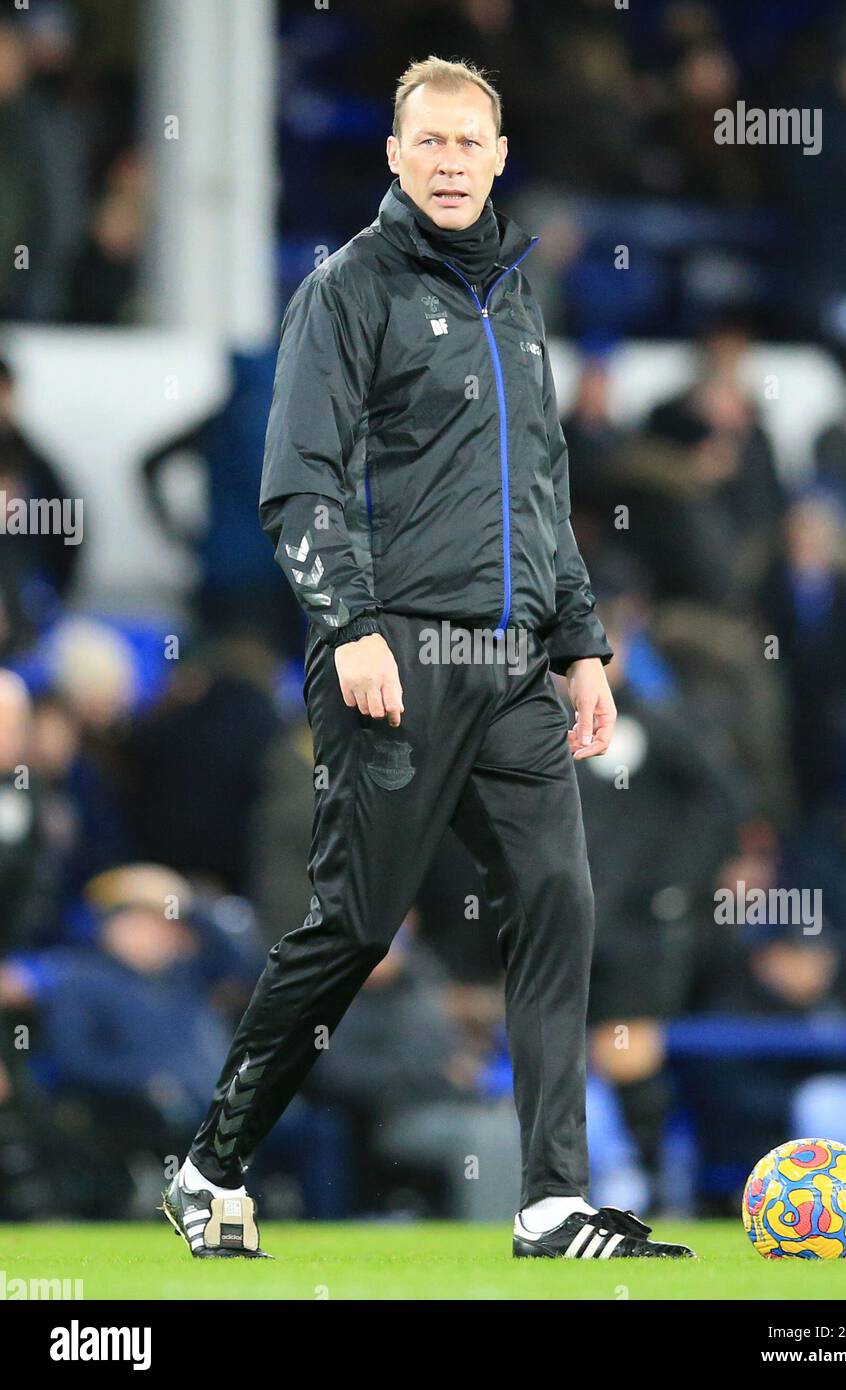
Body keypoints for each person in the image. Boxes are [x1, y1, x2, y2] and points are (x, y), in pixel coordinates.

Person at [162, 56, 693, 1262]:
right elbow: (295, 482)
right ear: (395, 157)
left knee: (559, 901)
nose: (451, 162)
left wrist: (579, 646)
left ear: (499, 158)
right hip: (392, 654)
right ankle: (210, 1163)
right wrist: (348, 624)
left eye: (470, 143)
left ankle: (553, 1198)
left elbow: (540, 491)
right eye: (430, 143)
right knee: (351, 929)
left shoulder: (515, 294)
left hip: (511, 670)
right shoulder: (347, 289)